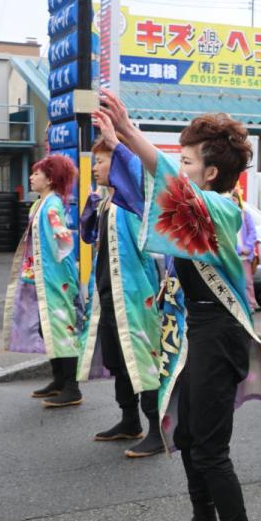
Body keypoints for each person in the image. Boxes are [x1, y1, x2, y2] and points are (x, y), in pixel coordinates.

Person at [95, 96, 261, 521]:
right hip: (196, 330)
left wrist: (130, 133)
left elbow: (167, 185)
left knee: (212, 447)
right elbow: (152, 195)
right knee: (190, 436)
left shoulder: (220, 208)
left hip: (219, 333)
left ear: (211, 173)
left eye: (189, 161)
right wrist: (120, 145)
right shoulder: (195, 205)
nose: (181, 167)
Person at [76, 137, 165, 458]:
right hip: (107, 294)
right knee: (119, 360)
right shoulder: (105, 202)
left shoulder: (132, 202)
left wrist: (119, 139)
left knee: (142, 359)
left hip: (134, 297)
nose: (95, 168)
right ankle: (129, 420)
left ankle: (157, 430)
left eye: (101, 161)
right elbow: (89, 239)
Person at [5, 155, 84, 407]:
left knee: (61, 329)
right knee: (46, 328)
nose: (31, 177)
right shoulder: (40, 204)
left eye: (36, 174)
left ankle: (72, 387)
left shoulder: (51, 206)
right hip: (42, 277)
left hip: (55, 279)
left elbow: (63, 242)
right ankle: (59, 380)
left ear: (49, 179)